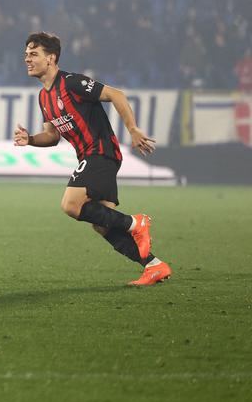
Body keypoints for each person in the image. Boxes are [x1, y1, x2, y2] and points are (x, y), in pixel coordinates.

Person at [14, 32, 171, 286]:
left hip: (100, 151)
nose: (27, 60)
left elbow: (117, 95)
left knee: (70, 204)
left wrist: (132, 130)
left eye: (34, 54)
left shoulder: (72, 83)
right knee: (102, 223)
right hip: (90, 156)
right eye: (26, 55)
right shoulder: (44, 97)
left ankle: (136, 222)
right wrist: (30, 139)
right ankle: (153, 265)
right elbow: (52, 136)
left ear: (51, 58)